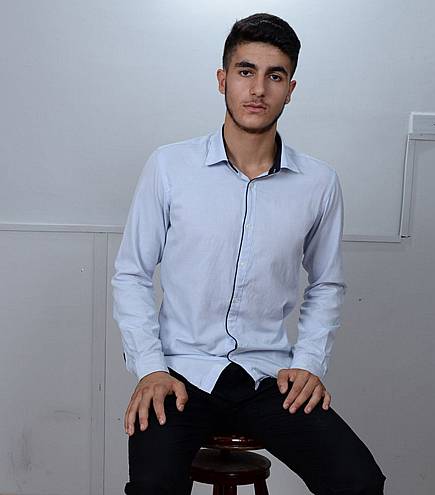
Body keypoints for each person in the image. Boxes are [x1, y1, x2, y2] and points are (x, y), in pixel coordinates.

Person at [111, 12, 387, 495]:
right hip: (180, 373)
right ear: (223, 80)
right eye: (245, 72)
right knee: (153, 488)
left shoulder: (319, 183)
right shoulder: (169, 167)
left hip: (267, 377)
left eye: (274, 76)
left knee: (358, 482)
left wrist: (309, 364)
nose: (258, 89)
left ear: (290, 89)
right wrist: (150, 367)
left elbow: (326, 283)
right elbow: (132, 273)